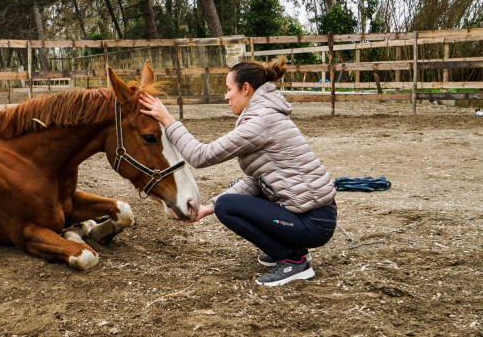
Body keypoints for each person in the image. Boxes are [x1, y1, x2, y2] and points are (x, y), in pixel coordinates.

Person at [140, 58, 337, 286]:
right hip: (315, 217)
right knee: (226, 202)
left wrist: (167, 119)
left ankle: (293, 260)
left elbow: (200, 156)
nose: (226, 96)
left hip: (312, 222)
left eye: (229, 89)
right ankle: (293, 247)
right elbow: (256, 181)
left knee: (228, 208)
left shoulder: (260, 122)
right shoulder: (266, 115)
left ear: (246, 89)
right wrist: (208, 207)